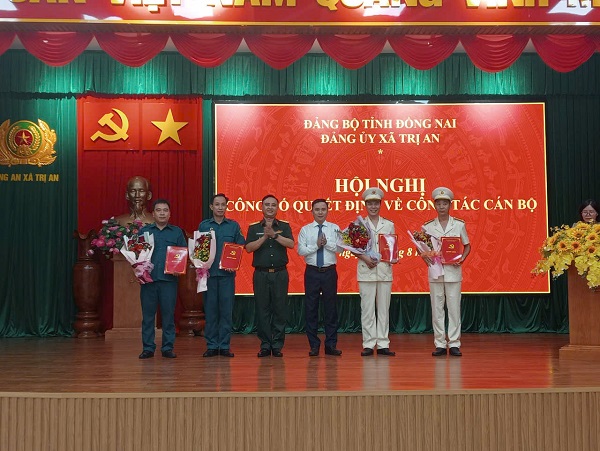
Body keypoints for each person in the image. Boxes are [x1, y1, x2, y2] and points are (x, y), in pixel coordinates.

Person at [421, 187, 471, 358]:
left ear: (450, 205)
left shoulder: (459, 224)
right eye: (438, 204)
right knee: (437, 309)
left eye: (445, 203)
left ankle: (455, 343)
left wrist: (462, 258)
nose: (441, 206)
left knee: (454, 308)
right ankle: (440, 343)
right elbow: (423, 248)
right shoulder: (428, 226)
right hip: (436, 272)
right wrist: (425, 257)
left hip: (453, 272)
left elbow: (467, 245)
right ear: (434, 205)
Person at [245, 194, 295, 358]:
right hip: (261, 274)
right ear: (261, 207)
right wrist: (265, 237)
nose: (270, 207)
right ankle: (265, 345)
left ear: (277, 208)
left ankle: (277, 345)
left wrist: (275, 235)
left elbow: (291, 244)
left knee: (280, 309)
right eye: (267, 205)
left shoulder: (284, 226)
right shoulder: (254, 228)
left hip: (280, 273)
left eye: (273, 205)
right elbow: (249, 248)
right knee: (262, 309)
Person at [138, 199, 187, 359]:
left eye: (165, 210)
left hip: (169, 281)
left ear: (169, 213)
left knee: (168, 316)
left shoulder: (176, 232)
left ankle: (167, 347)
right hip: (148, 281)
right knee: (148, 317)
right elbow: (137, 253)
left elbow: (182, 252)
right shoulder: (144, 231)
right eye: (158, 210)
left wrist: (179, 267)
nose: (162, 213)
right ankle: (148, 348)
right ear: (153, 214)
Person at [198, 193, 246, 358]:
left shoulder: (233, 226)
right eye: (217, 204)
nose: (220, 207)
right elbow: (199, 248)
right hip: (209, 275)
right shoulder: (204, 225)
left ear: (226, 207)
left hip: (227, 276)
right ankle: (211, 345)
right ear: (211, 207)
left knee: (226, 311)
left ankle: (224, 346)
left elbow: (240, 245)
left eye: (223, 205)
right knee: (211, 311)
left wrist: (234, 262)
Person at [297, 199, 342, 357]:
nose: (320, 212)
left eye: (323, 209)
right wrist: (316, 245)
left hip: (329, 272)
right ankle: (314, 346)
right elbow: (300, 251)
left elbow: (341, 249)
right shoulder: (305, 229)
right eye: (317, 209)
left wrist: (326, 243)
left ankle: (331, 345)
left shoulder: (335, 228)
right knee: (311, 309)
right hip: (312, 272)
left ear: (328, 210)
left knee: (331, 309)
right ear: (312, 211)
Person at [357, 187, 396, 357]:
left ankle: (383, 344)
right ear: (365, 205)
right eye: (370, 204)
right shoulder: (359, 224)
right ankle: (368, 343)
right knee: (367, 309)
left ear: (380, 205)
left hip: (384, 270)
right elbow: (354, 248)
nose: (373, 207)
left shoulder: (389, 224)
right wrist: (365, 258)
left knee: (383, 309)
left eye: (376, 203)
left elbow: (391, 247)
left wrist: (393, 257)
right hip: (366, 270)